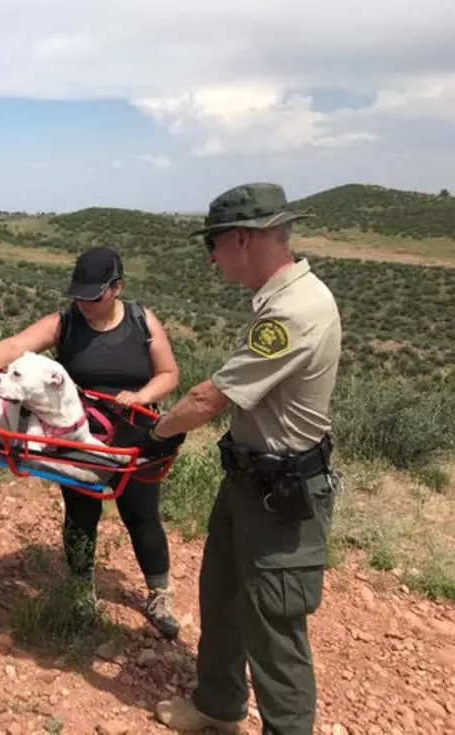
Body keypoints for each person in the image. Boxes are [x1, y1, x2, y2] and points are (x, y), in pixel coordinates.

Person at [151, 183, 342, 734]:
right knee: (224, 599)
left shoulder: (292, 313)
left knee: (275, 629)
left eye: (213, 243)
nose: (210, 256)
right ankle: (217, 706)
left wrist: (157, 434)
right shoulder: (283, 301)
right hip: (249, 482)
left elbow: (210, 397)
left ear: (241, 238)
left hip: (279, 499)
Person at [0, 245, 184, 639]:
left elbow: (169, 373)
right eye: (78, 294)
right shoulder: (66, 322)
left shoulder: (142, 321)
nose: (83, 303)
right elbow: (15, 346)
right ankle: (80, 589)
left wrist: (142, 397)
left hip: (131, 437)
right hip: (75, 435)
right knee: (81, 511)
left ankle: (159, 592)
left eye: (92, 296)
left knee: (141, 515)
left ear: (116, 289)